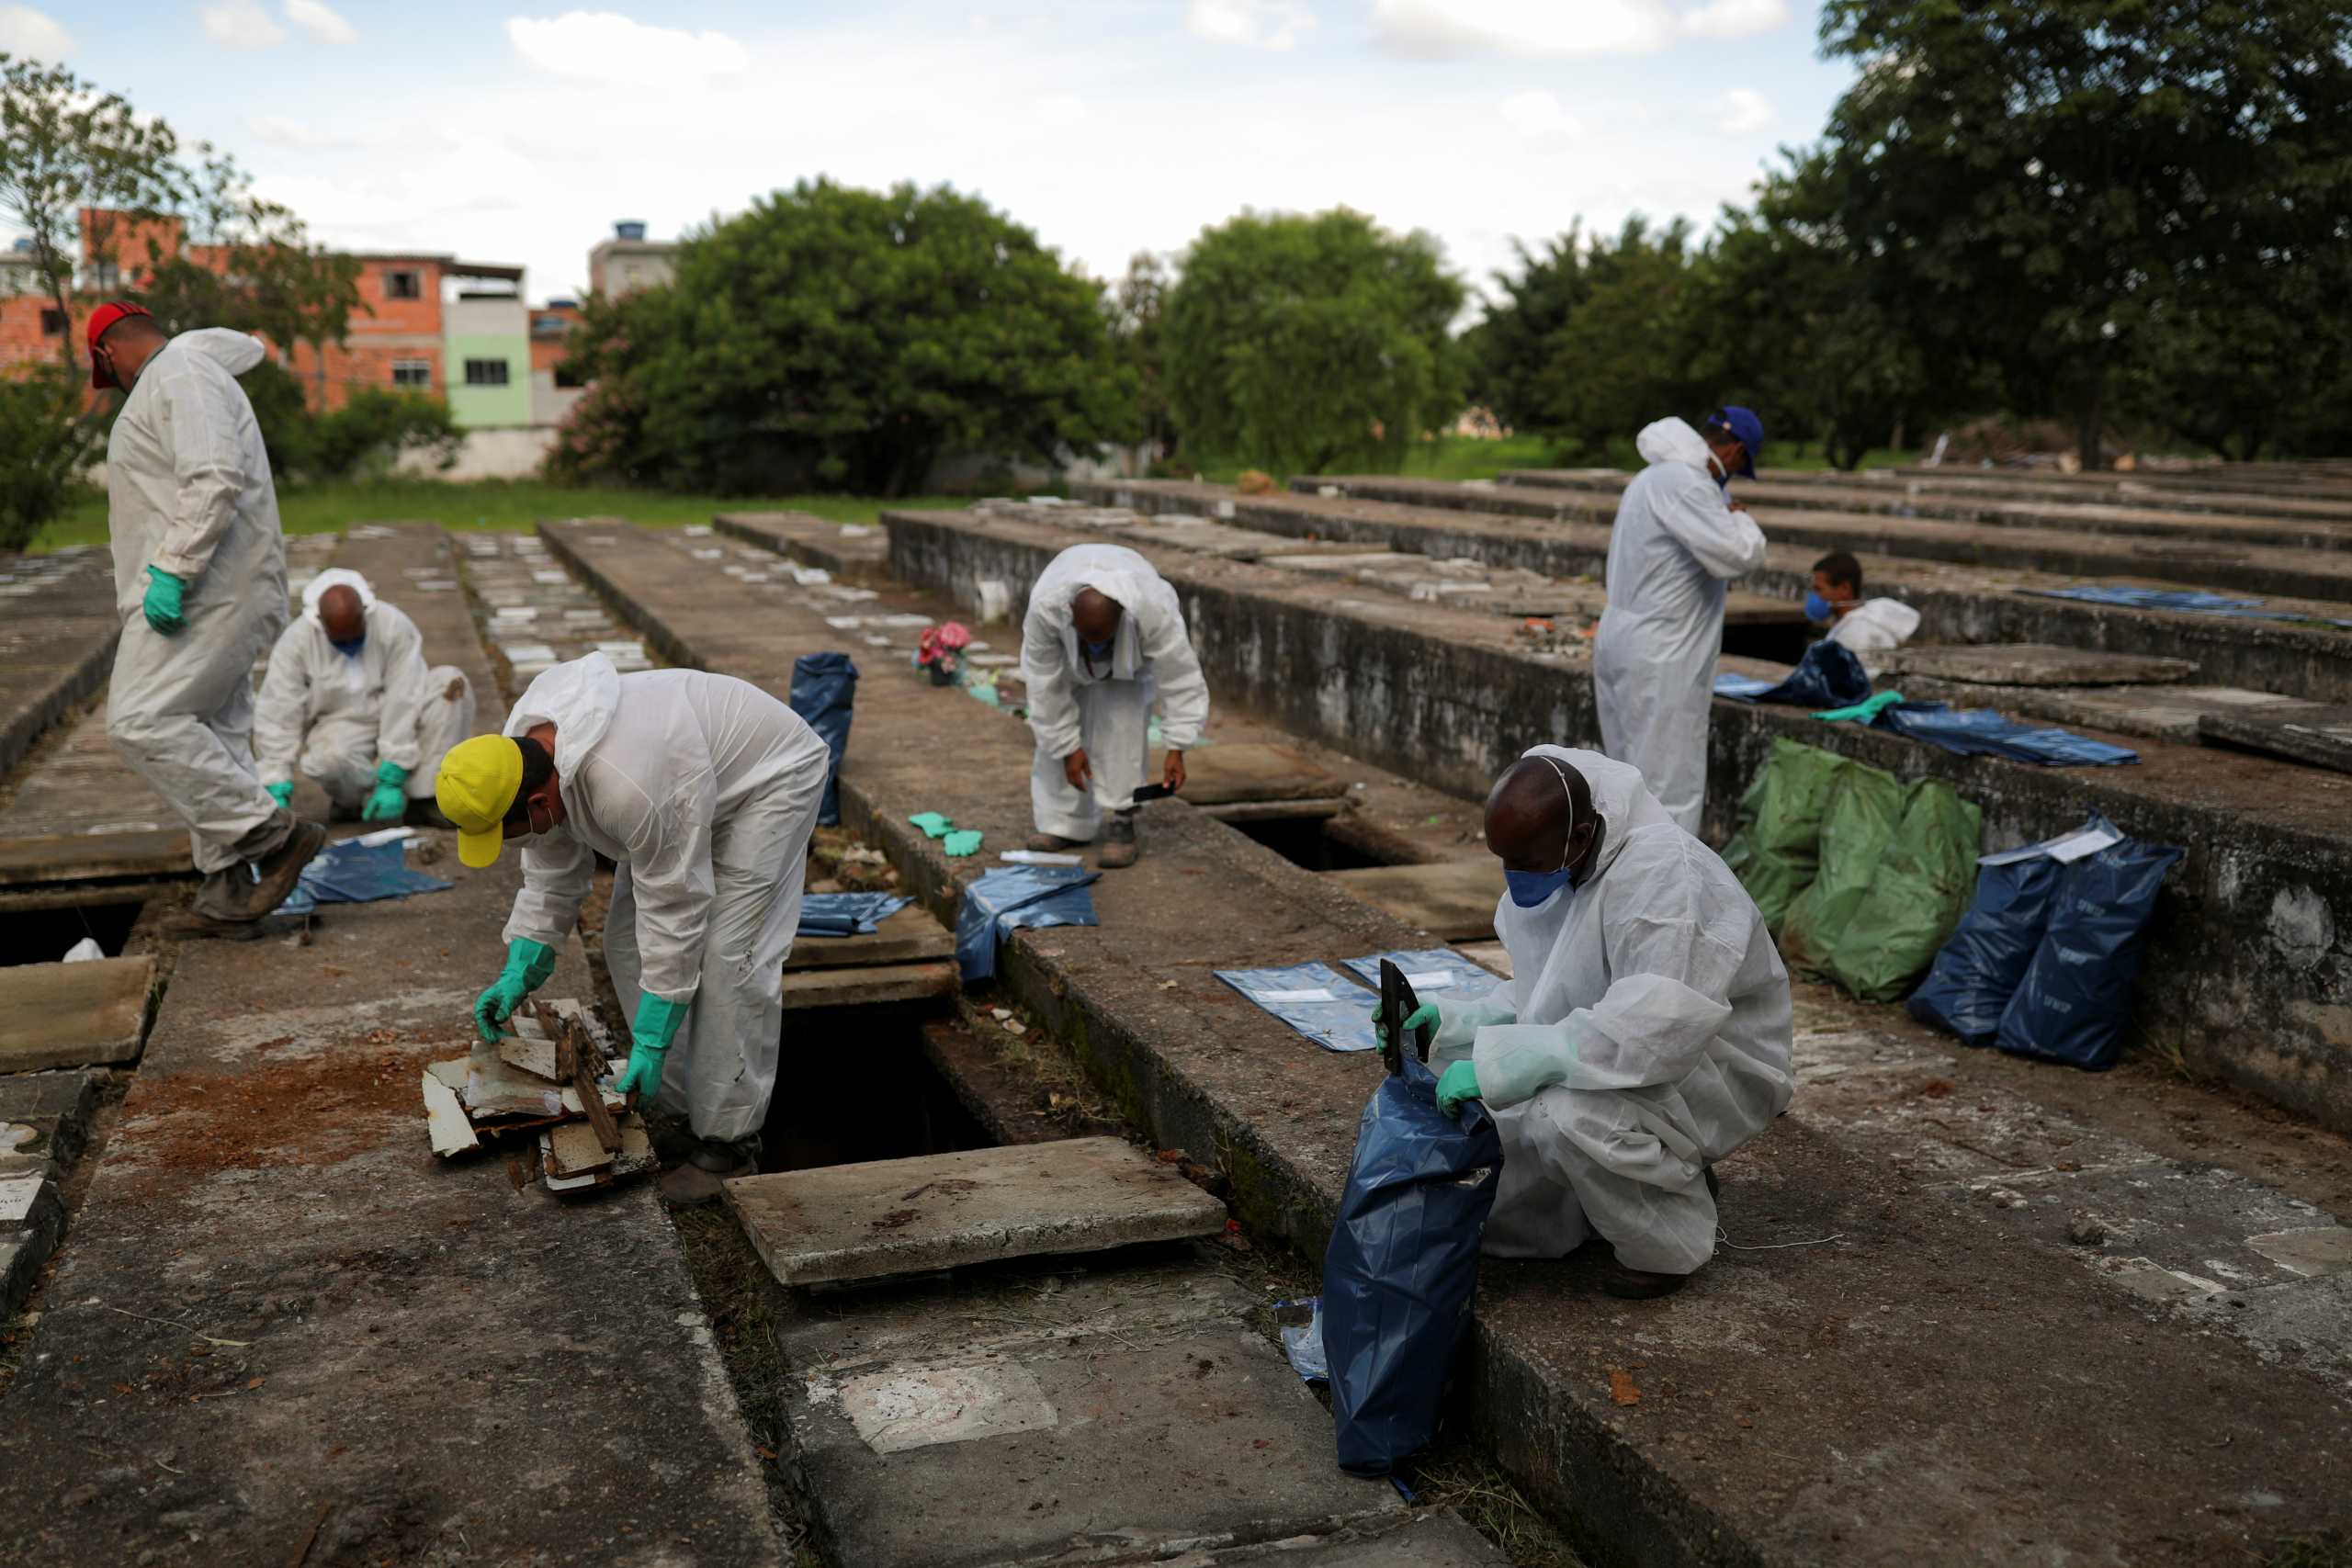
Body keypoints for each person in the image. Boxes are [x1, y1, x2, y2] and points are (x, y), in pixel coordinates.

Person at [1378, 746, 1792, 1299]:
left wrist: (1510, 1064)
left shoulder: (1667, 878)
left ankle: (1668, 1243)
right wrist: (1449, 1025)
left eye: (1522, 861)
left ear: (1577, 838)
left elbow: (1655, 1031)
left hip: (1709, 1065)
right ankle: (1635, 1182)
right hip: (1620, 1041)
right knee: (1453, 1077)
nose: (1513, 877)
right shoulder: (1564, 859)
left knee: (1565, 1111)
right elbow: (1544, 998)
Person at [435, 652, 831, 1205]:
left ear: (542, 800)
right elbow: (550, 866)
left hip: (767, 778)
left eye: (513, 831)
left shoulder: (627, 785)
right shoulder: (515, 757)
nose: (513, 843)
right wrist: (520, 967)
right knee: (624, 940)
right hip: (688, 781)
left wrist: (651, 1034)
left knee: (728, 958)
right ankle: (678, 1111)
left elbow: (675, 907)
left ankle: (728, 1144)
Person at [91, 301, 323, 933]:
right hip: (210, 587)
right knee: (212, 733)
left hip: (204, 589)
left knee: (142, 719)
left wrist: (173, 567)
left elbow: (214, 473)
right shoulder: (185, 374)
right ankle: (227, 892)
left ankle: (271, 838)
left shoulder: (179, 373)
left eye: (104, 371)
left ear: (106, 353)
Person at [1591, 407, 1770, 835]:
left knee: (1624, 784)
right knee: (1668, 791)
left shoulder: (1650, 478)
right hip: (1662, 654)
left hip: (1622, 639)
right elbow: (1739, 556)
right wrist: (1739, 516)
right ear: (1736, 451)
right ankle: (1665, 898)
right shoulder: (1688, 483)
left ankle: (1621, 891)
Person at [1020, 543, 1209, 869]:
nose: (1097, 649)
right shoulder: (1046, 609)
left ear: (1122, 617)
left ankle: (1123, 820)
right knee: (1054, 734)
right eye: (1089, 638)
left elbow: (1180, 677)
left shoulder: (1152, 609)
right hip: (1067, 659)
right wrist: (1068, 748)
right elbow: (1042, 685)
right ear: (1071, 617)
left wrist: (1177, 746)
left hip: (1129, 666)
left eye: (1104, 639)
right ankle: (1063, 824)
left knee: (1123, 725)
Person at [254, 568, 475, 826]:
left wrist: (395, 767)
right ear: (320, 624)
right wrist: (275, 778)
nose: (350, 646)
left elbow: (405, 694)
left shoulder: (392, 625)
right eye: (340, 641)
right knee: (327, 759)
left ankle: (425, 798)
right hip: (341, 724)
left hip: (397, 712)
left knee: (450, 683)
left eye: (355, 637)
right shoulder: (296, 642)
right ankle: (348, 800)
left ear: (365, 616)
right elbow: (279, 710)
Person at [1805, 551, 1920, 676]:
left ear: (1844, 588)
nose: (1814, 596)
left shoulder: (1857, 633)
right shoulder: (1850, 622)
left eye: (1819, 589)